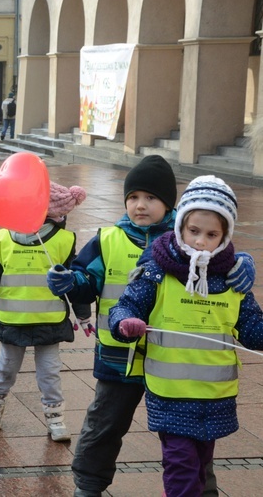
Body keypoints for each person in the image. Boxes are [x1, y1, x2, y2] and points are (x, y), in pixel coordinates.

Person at [45, 156, 256, 496]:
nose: (140, 205)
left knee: (191, 442)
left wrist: (243, 259)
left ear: (171, 205)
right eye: (133, 197)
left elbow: (221, 257)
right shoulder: (107, 239)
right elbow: (88, 280)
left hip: (179, 369)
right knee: (104, 426)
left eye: (151, 198)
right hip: (120, 357)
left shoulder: (191, 238)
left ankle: (204, 490)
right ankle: (88, 486)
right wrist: (71, 281)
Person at [109, 175, 263, 497]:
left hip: (214, 396)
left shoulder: (233, 278)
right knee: (181, 468)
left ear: (225, 234)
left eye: (212, 234)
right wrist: (126, 323)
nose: (201, 241)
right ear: (180, 226)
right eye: (193, 231)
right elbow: (125, 306)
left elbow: (251, 328)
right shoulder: (157, 270)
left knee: (201, 464)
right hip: (170, 394)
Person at [0, 182, 90, 441]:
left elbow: (74, 281)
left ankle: (56, 419)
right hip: (13, 320)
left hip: (49, 321)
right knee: (5, 369)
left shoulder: (63, 240)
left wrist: (83, 312)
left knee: (50, 373)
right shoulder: (3, 238)